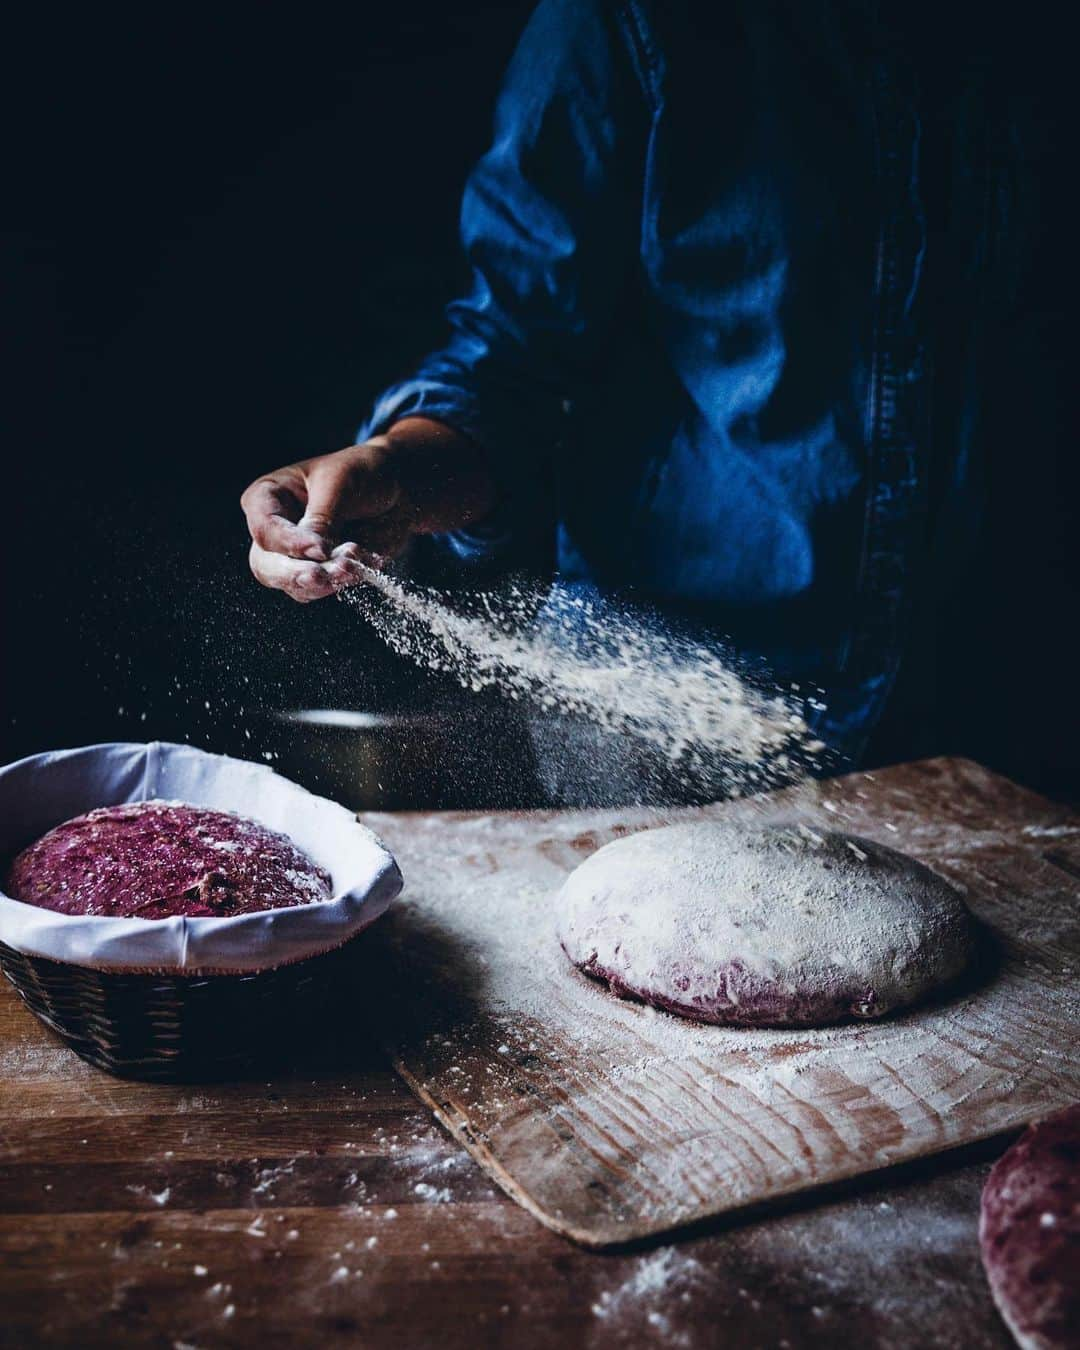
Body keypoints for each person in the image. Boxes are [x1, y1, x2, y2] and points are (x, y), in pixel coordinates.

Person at [242, 0, 1064, 789]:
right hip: (671, 706)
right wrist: (394, 470)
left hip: (1002, 708)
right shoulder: (633, 20)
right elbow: (508, 370)